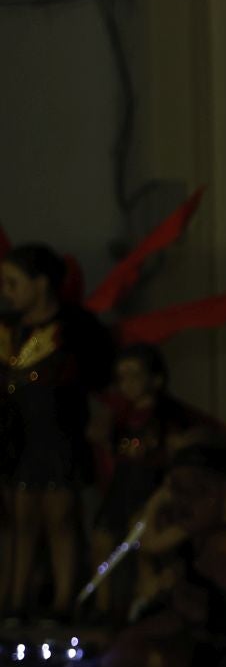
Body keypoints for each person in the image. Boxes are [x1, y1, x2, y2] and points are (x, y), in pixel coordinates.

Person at [63, 444, 226, 667]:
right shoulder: (197, 545)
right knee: (119, 645)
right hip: (199, 653)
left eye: (199, 491)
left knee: (130, 659)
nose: (183, 501)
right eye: (177, 490)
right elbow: (146, 540)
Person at [0, 244, 114, 623]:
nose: (7, 292)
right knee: (20, 517)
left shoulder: (77, 328)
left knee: (60, 518)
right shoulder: (7, 328)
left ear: (42, 283)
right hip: (16, 437)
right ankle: (14, 601)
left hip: (61, 433)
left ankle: (64, 603)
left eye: (14, 283)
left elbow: (103, 381)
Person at [89, 345, 218, 622]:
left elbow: (202, 436)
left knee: (143, 548)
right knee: (102, 541)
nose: (128, 384)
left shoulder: (170, 416)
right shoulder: (119, 417)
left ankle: (142, 607)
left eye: (135, 375)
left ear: (155, 378)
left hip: (152, 490)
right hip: (121, 489)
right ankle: (102, 608)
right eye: (122, 377)